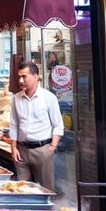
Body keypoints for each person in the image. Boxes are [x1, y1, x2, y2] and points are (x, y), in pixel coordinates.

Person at [9, 61, 63, 191]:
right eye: (19, 77)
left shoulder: (49, 97)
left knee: (46, 189)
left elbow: (58, 125)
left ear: (36, 76)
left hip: (42, 149)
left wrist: (52, 147)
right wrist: (14, 148)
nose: (21, 80)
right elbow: (14, 124)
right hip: (21, 150)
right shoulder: (16, 98)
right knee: (21, 190)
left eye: (24, 76)